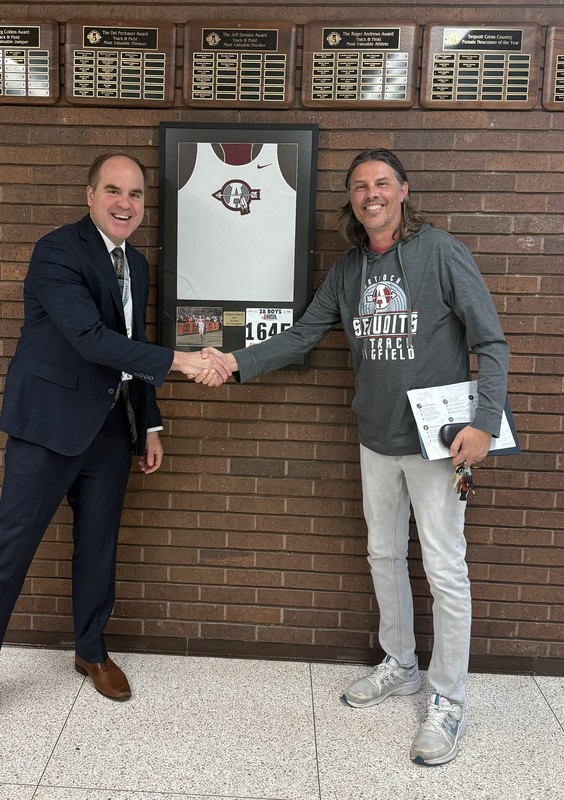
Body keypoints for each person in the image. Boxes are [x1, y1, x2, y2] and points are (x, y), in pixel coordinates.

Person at [200, 149, 509, 766]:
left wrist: (484, 423)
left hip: (437, 444)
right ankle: (401, 664)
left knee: (445, 568)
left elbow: (491, 340)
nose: (372, 194)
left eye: (382, 183)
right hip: (375, 440)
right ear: (352, 199)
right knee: (383, 554)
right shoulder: (347, 271)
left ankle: (448, 700)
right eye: (361, 186)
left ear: (403, 191)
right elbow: (302, 335)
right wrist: (233, 362)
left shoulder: (442, 252)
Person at [0, 152, 231, 744]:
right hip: (47, 427)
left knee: (98, 548)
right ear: (90, 195)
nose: (125, 203)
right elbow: (89, 337)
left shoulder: (140, 266)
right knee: (10, 550)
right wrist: (182, 361)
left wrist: (149, 423)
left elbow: (132, 346)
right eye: (113, 191)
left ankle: (90, 650)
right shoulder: (57, 251)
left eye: (134, 194)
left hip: (109, 431)